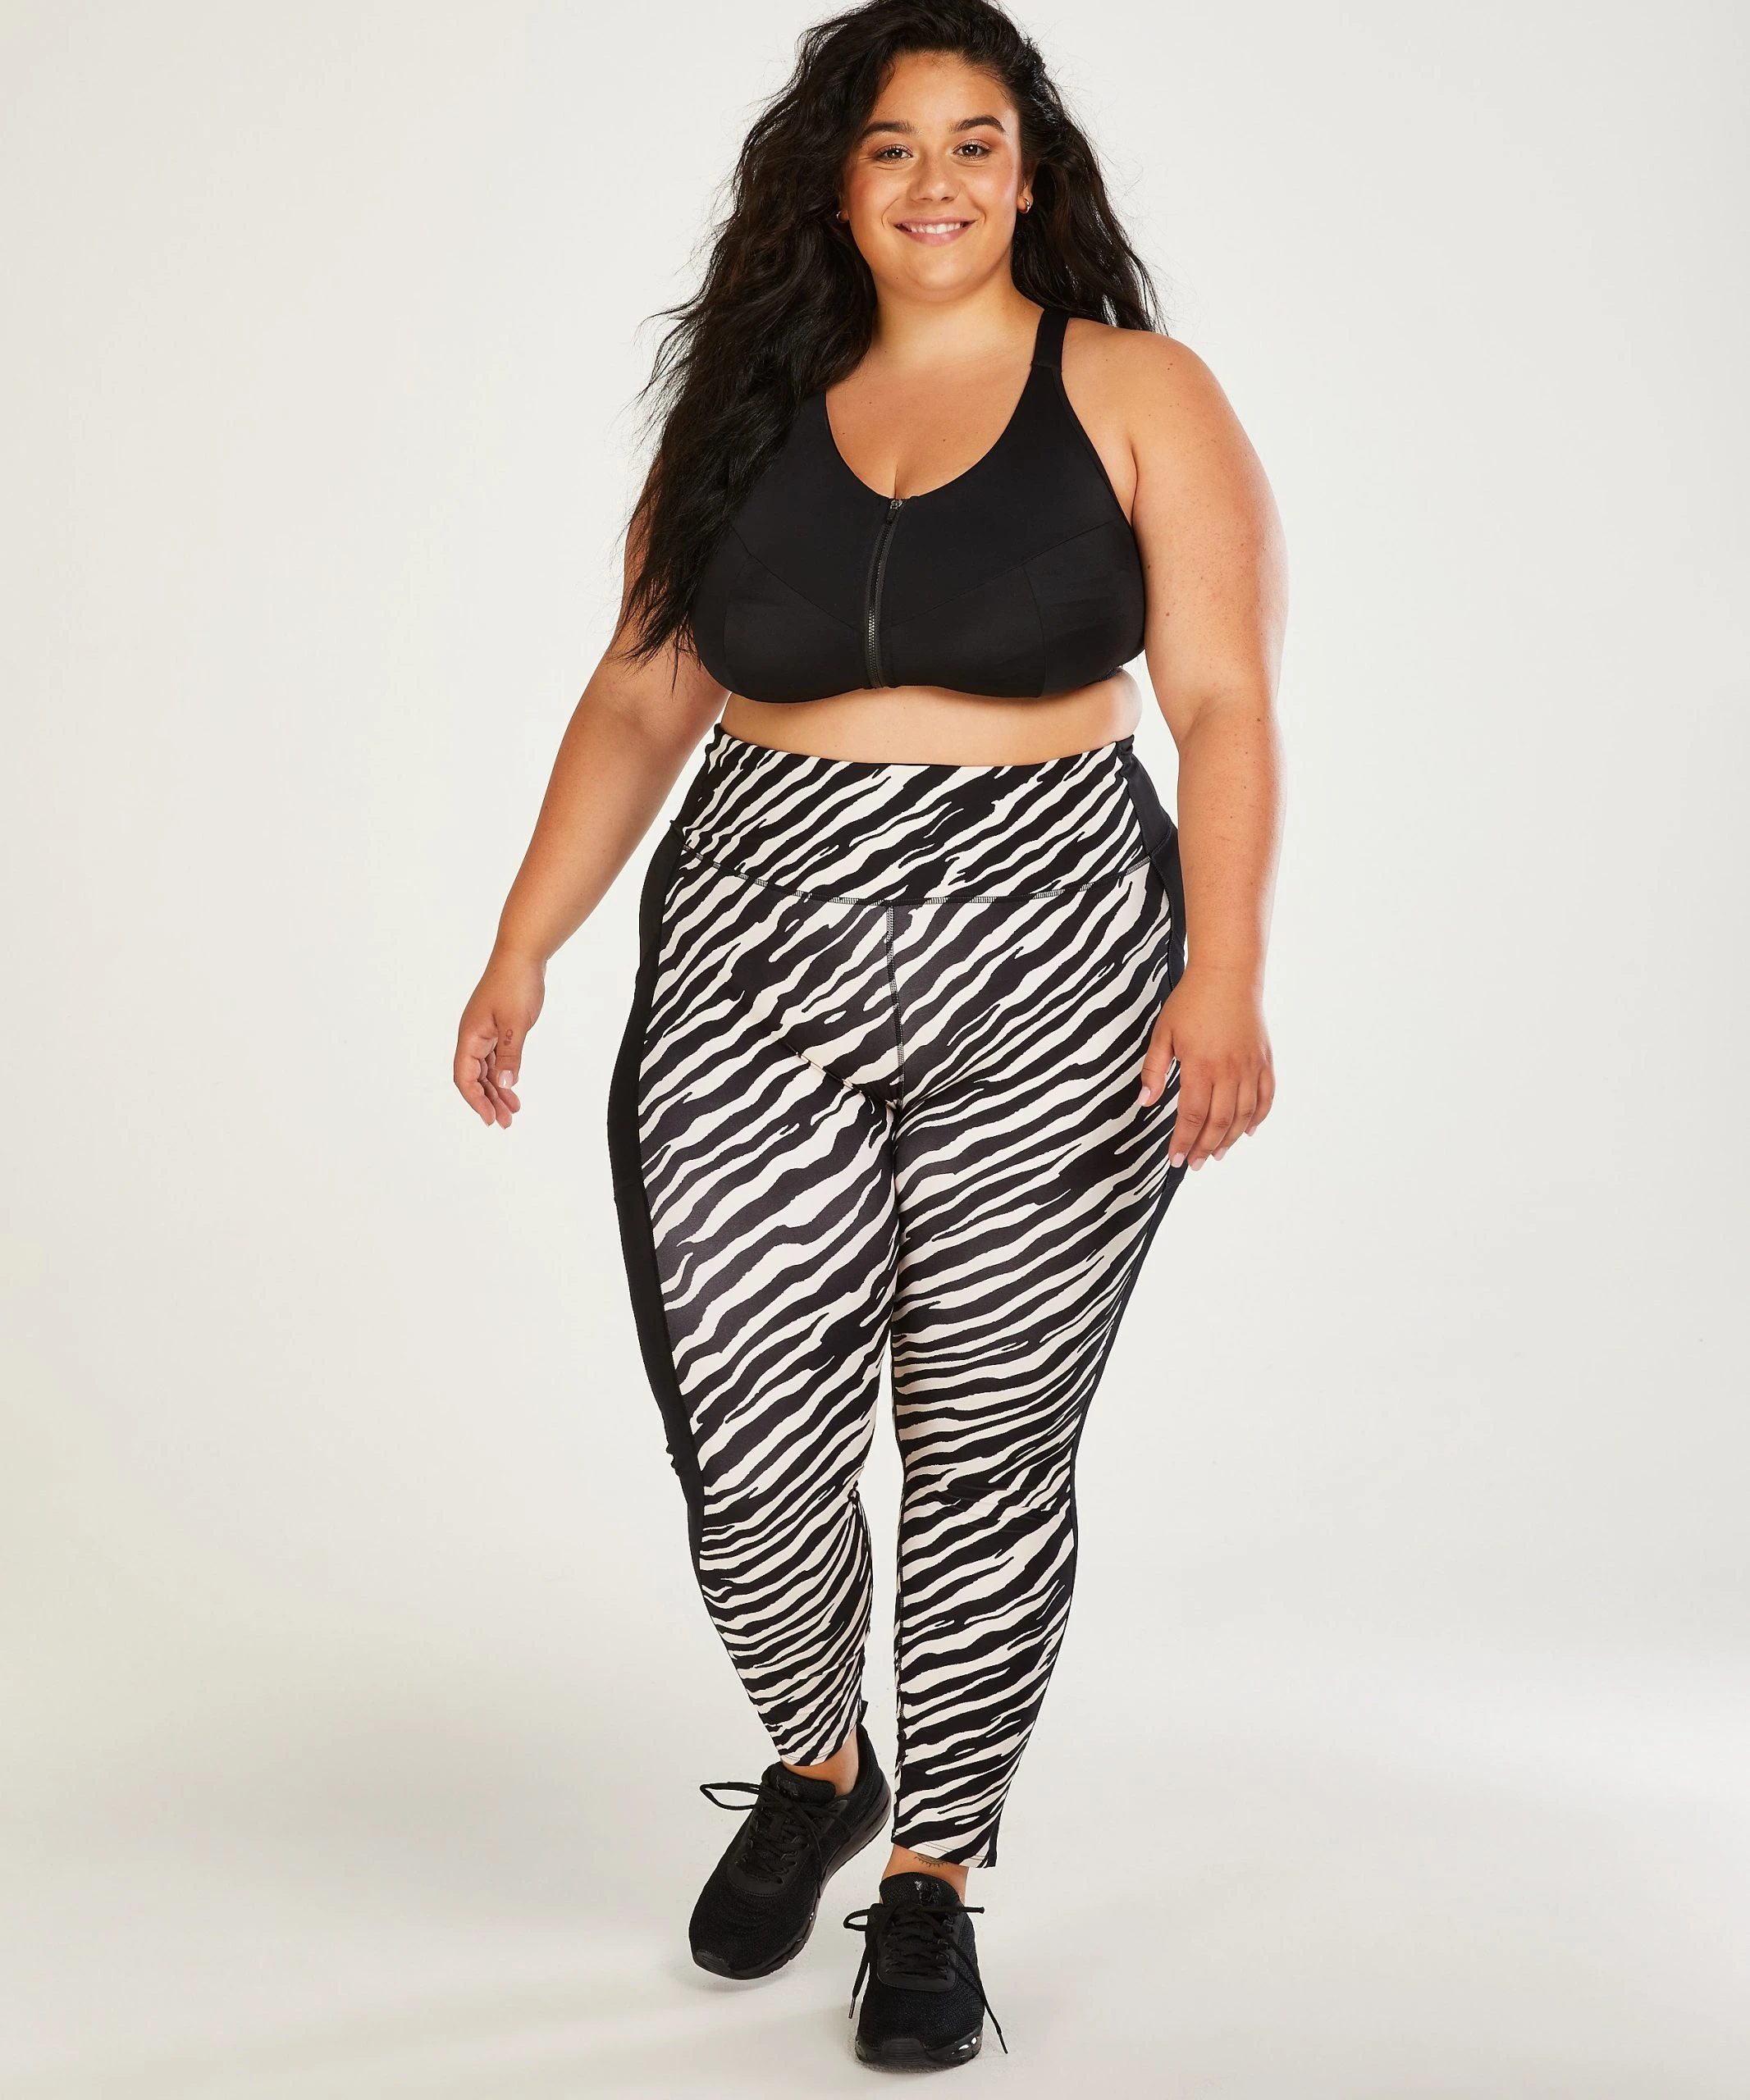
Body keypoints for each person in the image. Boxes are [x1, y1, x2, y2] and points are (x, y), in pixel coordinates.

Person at [454, 0, 1284, 2071]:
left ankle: (935, 1876)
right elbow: (641, 690)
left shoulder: (1138, 388)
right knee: (746, 1432)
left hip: (1056, 942)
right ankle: (823, 1761)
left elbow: (1223, 703)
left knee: (988, 1434)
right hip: (753, 934)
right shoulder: (741, 407)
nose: (936, 181)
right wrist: (523, 942)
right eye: (894, 144)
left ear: (1032, 171)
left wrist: (1224, 970)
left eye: (975, 141)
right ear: (833, 183)